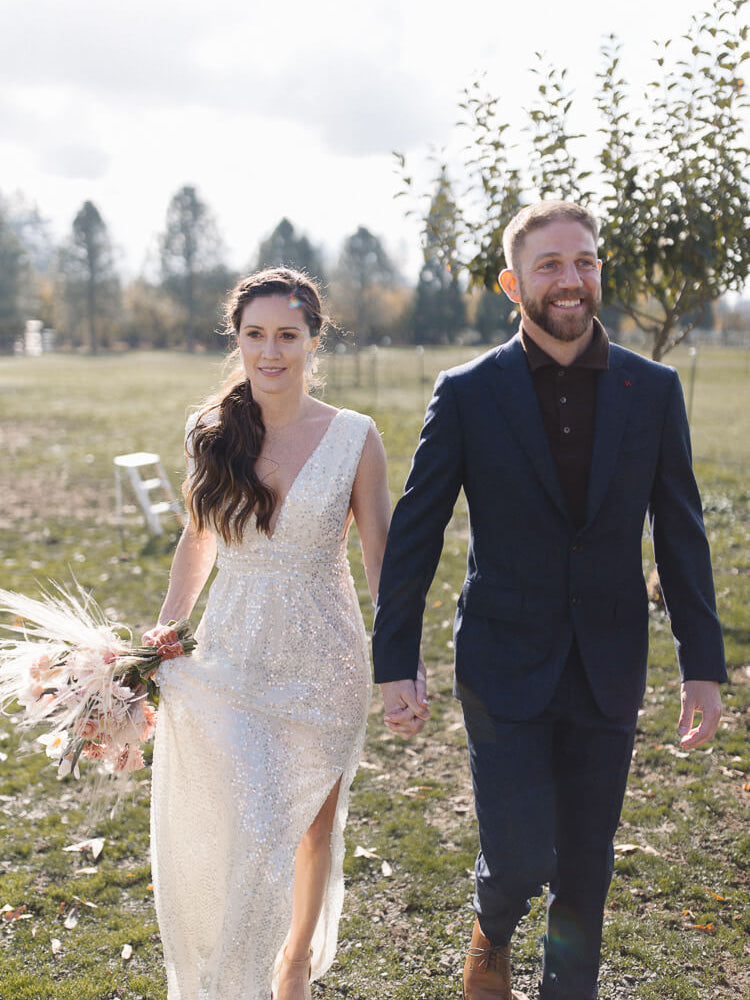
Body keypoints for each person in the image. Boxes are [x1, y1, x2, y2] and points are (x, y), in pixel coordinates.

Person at [372, 202, 726, 1000]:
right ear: (512, 283)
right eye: (550, 265)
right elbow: (417, 534)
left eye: (585, 262)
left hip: (609, 659)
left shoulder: (654, 387)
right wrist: (395, 661)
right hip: (502, 660)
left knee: (587, 865)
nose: (571, 280)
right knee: (524, 855)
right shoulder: (466, 393)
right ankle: (491, 931)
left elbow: (682, 530)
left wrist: (701, 666)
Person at [143, 267, 391, 1000]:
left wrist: (403, 663)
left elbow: (383, 561)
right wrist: (167, 626)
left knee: (315, 823)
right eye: (255, 335)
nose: (271, 351)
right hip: (235, 651)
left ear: (314, 340)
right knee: (252, 826)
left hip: (327, 658)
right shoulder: (210, 432)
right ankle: (234, 975)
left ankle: (291, 964)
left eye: (287, 335)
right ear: (238, 339)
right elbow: (197, 542)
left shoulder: (355, 437)